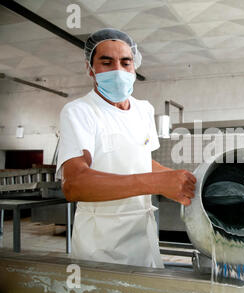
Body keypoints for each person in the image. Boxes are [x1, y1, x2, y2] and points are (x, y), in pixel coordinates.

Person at [56, 28, 196, 268]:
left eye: (125, 62)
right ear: (91, 69)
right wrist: (156, 184)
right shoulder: (79, 111)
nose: (118, 70)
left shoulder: (144, 110)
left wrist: (187, 180)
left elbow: (142, 161)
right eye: (106, 62)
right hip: (101, 242)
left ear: (134, 67)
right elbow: (74, 184)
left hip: (144, 234)